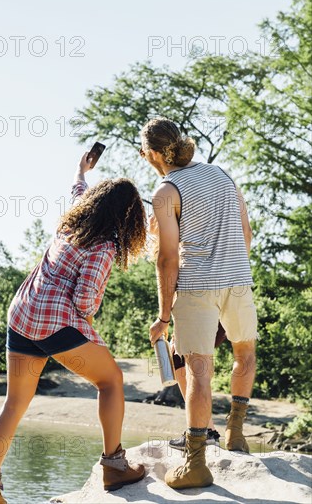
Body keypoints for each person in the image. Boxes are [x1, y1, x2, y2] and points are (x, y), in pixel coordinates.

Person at [0, 152, 147, 504]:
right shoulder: (104, 246)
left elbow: (78, 190)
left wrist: (81, 169)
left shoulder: (71, 222)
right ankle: (114, 464)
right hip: (56, 325)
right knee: (110, 380)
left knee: (14, 403)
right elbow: (85, 302)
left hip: (22, 316)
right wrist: (89, 319)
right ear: (128, 217)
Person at [142, 117, 258, 490]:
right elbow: (246, 232)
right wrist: (232, 267)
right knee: (245, 353)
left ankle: (196, 464)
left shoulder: (166, 190)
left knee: (197, 371)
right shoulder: (221, 173)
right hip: (239, 280)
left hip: (197, 287)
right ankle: (235, 436)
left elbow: (167, 259)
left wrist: (163, 316)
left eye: (142, 149)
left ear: (154, 153)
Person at [148, 214, 222, 449]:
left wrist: (164, 320)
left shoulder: (183, 245)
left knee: (191, 364)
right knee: (182, 361)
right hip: (205, 307)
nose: (152, 218)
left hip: (207, 307)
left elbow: (175, 280)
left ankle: (203, 432)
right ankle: (207, 430)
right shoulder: (177, 243)